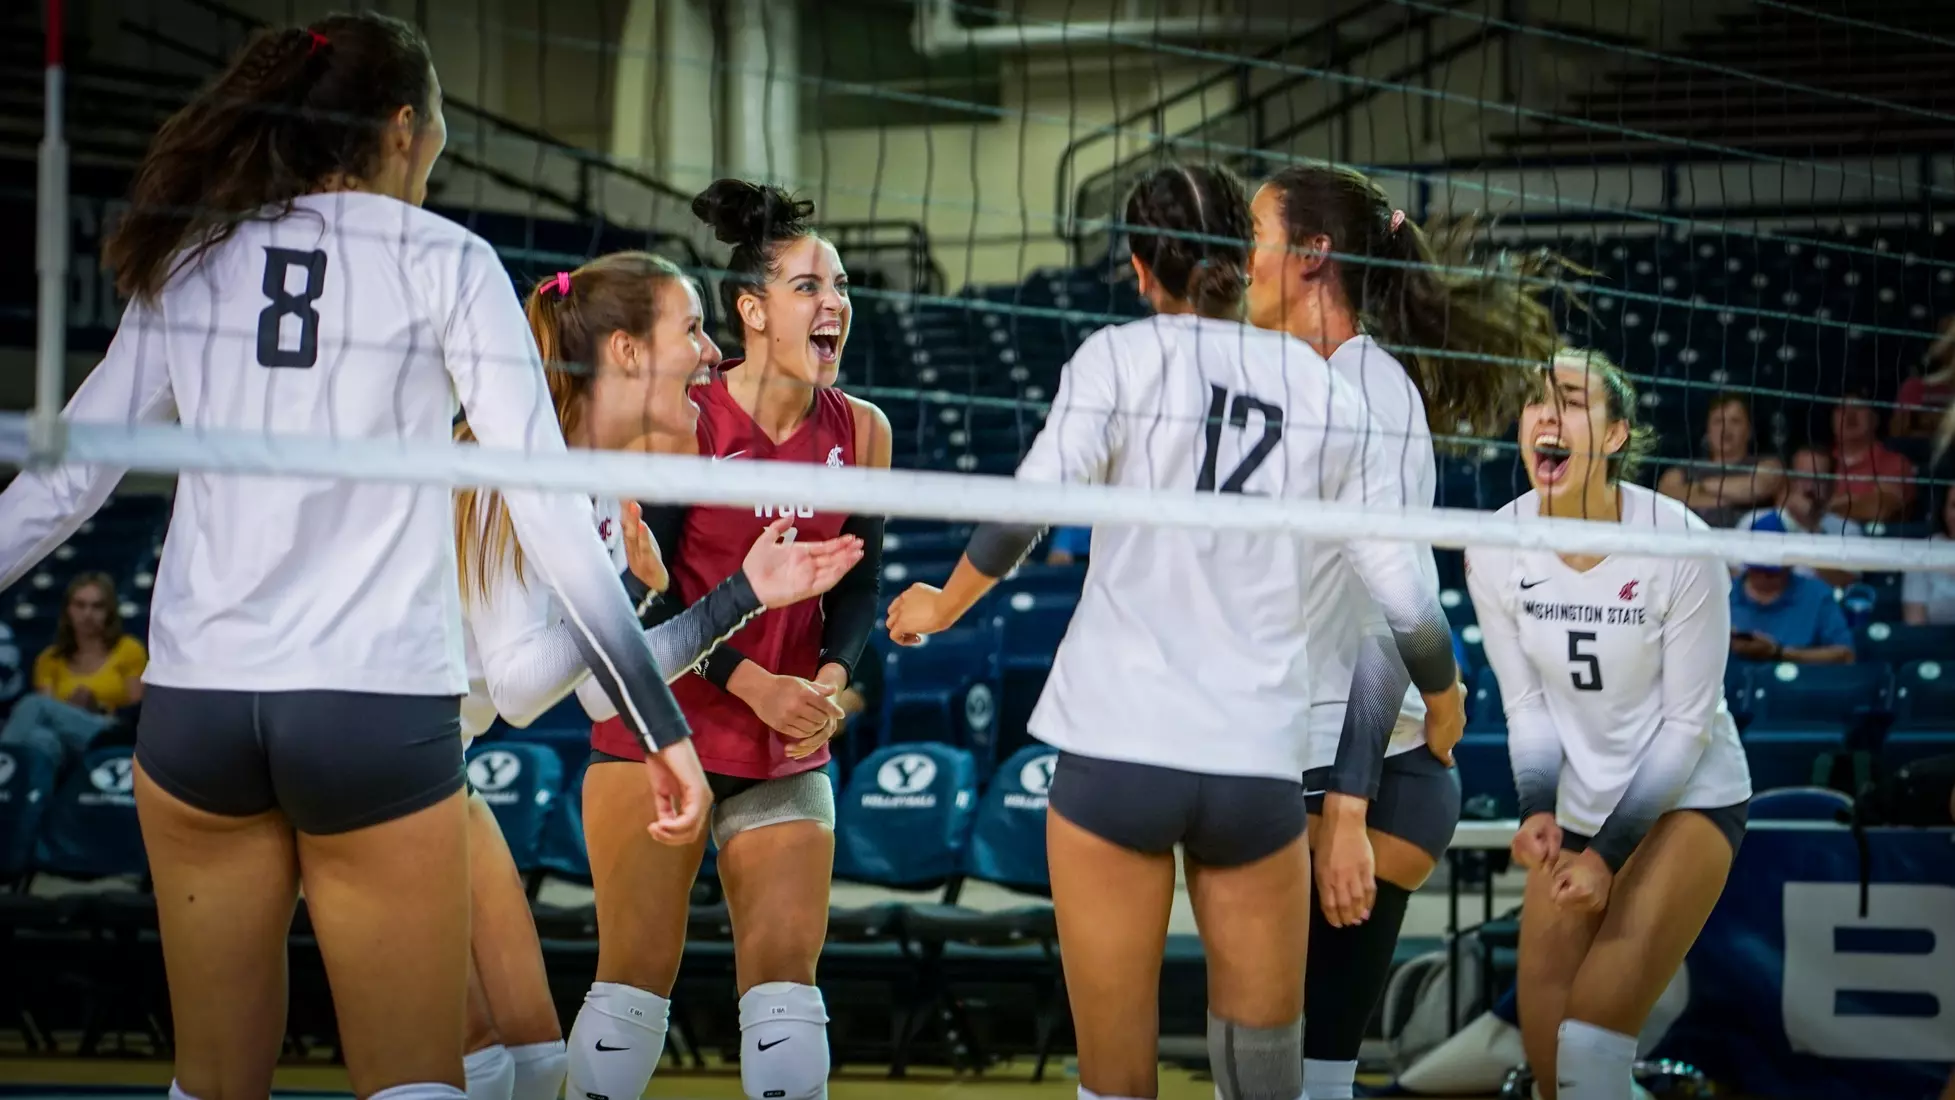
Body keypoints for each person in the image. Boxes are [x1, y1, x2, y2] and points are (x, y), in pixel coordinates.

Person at [0, 16, 709, 1100]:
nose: (439, 155)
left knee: (212, 1084)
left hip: (199, 706)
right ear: (399, 127)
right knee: (414, 1081)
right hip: (369, 706)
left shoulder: (192, 252)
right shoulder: (446, 260)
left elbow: (65, 479)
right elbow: (550, 505)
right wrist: (659, 722)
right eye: (440, 134)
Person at [885, 163, 1465, 1100]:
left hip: (1120, 746)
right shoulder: (1324, 393)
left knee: (1117, 1079)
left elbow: (1020, 515)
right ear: (1242, 258)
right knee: (1265, 1078)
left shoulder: (1119, 357)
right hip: (1254, 768)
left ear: (1138, 268)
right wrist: (1444, 699)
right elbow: (1405, 598)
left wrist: (939, 606)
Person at [451, 255, 864, 1100]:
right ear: (628, 353)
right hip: (373, 751)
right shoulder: (516, 465)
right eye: (692, 329)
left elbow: (609, 684)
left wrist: (741, 596)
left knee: (529, 1063)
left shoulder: (602, 487)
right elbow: (529, 689)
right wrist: (651, 607)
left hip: (435, 763)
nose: (711, 352)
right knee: (479, 1060)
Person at [1243, 163, 1568, 1100]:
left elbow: (1398, 606)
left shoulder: (1366, 391)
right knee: (1290, 1074)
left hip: (1355, 773)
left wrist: (1345, 805)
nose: (1241, 258)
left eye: (1255, 235)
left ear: (1312, 256)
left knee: (1297, 1079)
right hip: (1325, 757)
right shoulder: (1311, 386)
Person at [569, 180, 891, 1100]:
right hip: (657, 729)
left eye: (839, 286)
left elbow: (859, 579)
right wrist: (753, 683)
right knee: (631, 982)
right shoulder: (683, 423)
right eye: (807, 286)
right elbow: (641, 601)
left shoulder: (862, 430)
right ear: (751, 310)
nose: (834, 303)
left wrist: (827, 680)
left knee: (788, 993)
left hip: (785, 741)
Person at [1464, 348, 1751, 1100]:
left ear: (1616, 435)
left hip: (1687, 798)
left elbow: (1686, 728)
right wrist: (1534, 808)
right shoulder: (1496, 543)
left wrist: (1606, 855)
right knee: (1553, 1072)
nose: (1546, 416)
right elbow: (1524, 706)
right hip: (1575, 807)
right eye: (1533, 401)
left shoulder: (1677, 541)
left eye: (1570, 400)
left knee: (1591, 1043)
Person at [1, 573, 146, 771]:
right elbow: (46, 714)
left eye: (97, 606)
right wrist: (71, 708)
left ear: (109, 611)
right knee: (41, 739)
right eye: (80, 605)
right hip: (63, 737)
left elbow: (137, 709)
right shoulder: (49, 658)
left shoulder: (129, 649)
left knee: (33, 704)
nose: (88, 614)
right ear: (68, 610)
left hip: (107, 729)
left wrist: (98, 707)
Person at [1729, 513, 1856, 667]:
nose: (1764, 577)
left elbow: (1845, 655)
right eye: (1757, 569)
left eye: (1772, 572)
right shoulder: (1724, 594)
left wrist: (1780, 653)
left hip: (1798, 687)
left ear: (1790, 563)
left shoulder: (1816, 596)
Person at [1735, 447, 1862, 588]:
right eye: (1802, 477)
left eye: (1818, 479)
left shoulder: (1847, 530)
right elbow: (1736, 575)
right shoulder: (1754, 520)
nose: (1809, 487)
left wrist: (1809, 529)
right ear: (1790, 480)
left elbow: (1845, 582)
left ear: (1832, 486)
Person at [1655, 394, 1783, 528]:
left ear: (1749, 430)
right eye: (1718, 421)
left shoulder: (1768, 464)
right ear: (1707, 430)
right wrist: (1736, 497)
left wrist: (1701, 488)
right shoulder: (1684, 470)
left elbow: (1757, 488)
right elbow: (1665, 496)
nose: (1725, 429)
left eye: (1735, 421)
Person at [1829, 391, 1916, 524]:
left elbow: (1878, 509)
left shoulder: (1894, 463)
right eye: (1842, 409)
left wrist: (1824, 506)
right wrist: (1859, 499)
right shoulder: (1816, 460)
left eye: (1859, 408)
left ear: (1875, 418)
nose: (1850, 415)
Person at [1902, 490, 1955, 625]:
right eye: (1954, 505)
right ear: (1944, 511)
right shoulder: (1922, 552)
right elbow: (1915, 623)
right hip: (1935, 642)